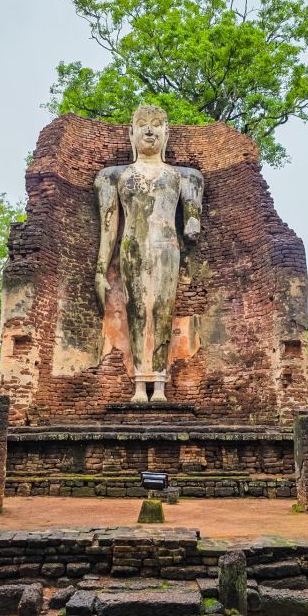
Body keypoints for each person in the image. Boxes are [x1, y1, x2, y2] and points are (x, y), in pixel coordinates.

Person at [94, 105, 203, 403]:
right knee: (138, 310)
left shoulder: (184, 176)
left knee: (163, 311)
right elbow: (109, 228)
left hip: (167, 247)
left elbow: (193, 219)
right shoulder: (114, 176)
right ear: (131, 133)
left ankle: (161, 386)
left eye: (157, 125)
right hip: (133, 248)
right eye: (142, 124)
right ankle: (140, 385)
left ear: (167, 133)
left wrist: (193, 220)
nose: (150, 130)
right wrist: (100, 270)